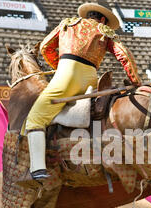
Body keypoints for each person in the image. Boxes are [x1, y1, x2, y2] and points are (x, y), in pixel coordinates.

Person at [24, 1, 142, 182]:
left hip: (66, 75)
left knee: (35, 117)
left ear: (88, 15)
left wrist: (59, 66)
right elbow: (124, 55)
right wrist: (135, 82)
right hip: (91, 79)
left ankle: (37, 169)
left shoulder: (67, 24)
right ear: (102, 18)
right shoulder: (104, 31)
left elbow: (45, 47)